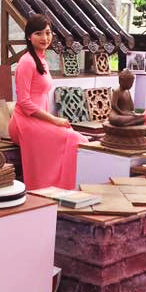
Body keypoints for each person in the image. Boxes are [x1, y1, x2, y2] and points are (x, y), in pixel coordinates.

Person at [8, 14, 87, 190]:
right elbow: (24, 103)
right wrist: (54, 120)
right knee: (74, 138)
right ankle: (52, 188)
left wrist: (52, 121)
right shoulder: (26, 62)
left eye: (48, 33)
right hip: (24, 122)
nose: (44, 37)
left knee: (79, 138)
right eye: (38, 33)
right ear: (29, 37)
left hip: (39, 121)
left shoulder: (41, 60)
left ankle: (64, 186)